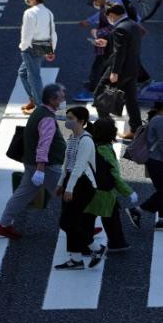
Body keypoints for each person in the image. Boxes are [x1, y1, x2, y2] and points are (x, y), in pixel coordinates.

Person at [0, 83, 67, 239]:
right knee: (69, 194)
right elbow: (43, 145)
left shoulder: (40, 111)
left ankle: (3, 224)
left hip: (33, 163)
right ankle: (82, 227)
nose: (63, 100)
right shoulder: (47, 118)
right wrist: (40, 169)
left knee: (22, 194)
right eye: (61, 97)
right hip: (47, 166)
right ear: (52, 100)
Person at [53, 106, 107, 270]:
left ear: (81, 121)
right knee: (71, 221)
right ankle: (76, 259)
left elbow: (79, 166)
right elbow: (67, 164)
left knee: (67, 221)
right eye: (67, 117)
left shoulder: (86, 140)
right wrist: (61, 183)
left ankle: (97, 249)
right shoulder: (72, 138)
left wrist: (69, 188)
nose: (67, 121)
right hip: (72, 180)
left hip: (82, 184)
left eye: (71, 118)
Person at [86, 117, 137, 252]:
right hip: (104, 190)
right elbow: (114, 174)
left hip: (90, 186)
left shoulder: (91, 144)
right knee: (111, 217)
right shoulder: (105, 150)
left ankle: (85, 239)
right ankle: (116, 243)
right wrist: (129, 192)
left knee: (89, 215)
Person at [94, 3, 143, 140]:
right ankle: (136, 129)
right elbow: (126, 46)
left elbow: (120, 52)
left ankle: (107, 131)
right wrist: (107, 43)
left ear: (112, 15)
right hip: (133, 69)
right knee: (131, 99)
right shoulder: (133, 25)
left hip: (120, 70)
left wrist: (114, 72)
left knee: (100, 96)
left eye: (108, 16)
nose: (109, 19)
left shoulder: (119, 29)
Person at [131, 102, 163, 231]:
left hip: (156, 161)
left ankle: (162, 220)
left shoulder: (161, 118)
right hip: (157, 161)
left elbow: (160, 135)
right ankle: (138, 210)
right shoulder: (160, 120)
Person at [18, 0, 57, 115]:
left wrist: (23, 46)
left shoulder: (29, 13)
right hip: (43, 46)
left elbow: (27, 33)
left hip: (31, 47)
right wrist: (51, 49)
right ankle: (34, 100)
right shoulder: (49, 12)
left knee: (34, 76)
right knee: (23, 73)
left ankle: (41, 107)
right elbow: (53, 32)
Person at [74, 0, 111, 103]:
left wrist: (96, 33)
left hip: (107, 44)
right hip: (107, 44)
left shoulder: (108, 10)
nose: (94, 4)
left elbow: (113, 27)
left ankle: (92, 91)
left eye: (94, 1)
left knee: (98, 68)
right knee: (103, 68)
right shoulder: (106, 8)